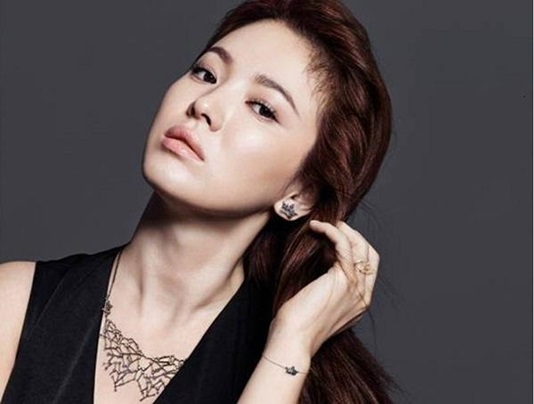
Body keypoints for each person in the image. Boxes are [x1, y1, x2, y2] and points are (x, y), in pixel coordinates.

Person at [0, 0, 398, 402]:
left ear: (302, 192)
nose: (204, 105)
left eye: (262, 108)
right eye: (206, 74)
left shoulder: (305, 374)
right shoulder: (14, 301)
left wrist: (291, 346)